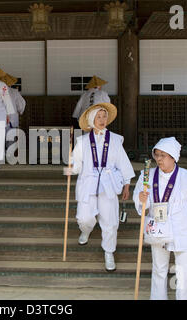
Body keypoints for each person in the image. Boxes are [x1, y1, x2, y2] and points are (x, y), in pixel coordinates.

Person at [133, 137, 187, 300]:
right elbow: (141, 204)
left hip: (182, 228)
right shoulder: (147, 176)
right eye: (157, 155)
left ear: (173, 157)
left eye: (163, 155)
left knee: (184, 271)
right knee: (159, 268)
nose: (159, 159)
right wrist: (141, 198)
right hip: (158, 226)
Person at [64, 103, 135, 271]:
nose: (102, 120)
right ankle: (86, 230)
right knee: (84, 218)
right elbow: (76, 163)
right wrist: (70, 167)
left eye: (104, 116)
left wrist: (127, 183)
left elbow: (123, 162)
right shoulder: (82, 141)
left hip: (108, 184)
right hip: (88, 182)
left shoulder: (116, 139)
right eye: (99, 117)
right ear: (91, 119)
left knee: (110, 221)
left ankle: (109, 252)